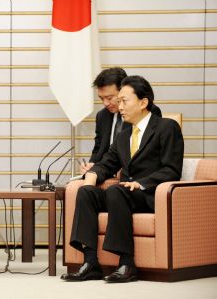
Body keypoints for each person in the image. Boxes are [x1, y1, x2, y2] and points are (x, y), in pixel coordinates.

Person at [61, 75, 184, 283]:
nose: (119, 107)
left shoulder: (166, 127)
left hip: (148, 195)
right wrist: (90, 178)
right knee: (87, 192)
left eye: (124, 101)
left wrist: (141, 183)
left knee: (116, 190)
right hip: (122, 194)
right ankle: (90, 262)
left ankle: (127, 264)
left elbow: (171, 169)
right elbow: (106, 164)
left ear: (143, 102)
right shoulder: (123, 135)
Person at [80, 67, 162, 175]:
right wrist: (91, 165)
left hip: (131, 174)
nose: (105, 103)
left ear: (123, 91)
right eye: (101, 98)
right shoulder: (102, 116)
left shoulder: (145, 111)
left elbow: (149, 153)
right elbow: (98, 150)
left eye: (109, 98)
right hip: (105, 171)